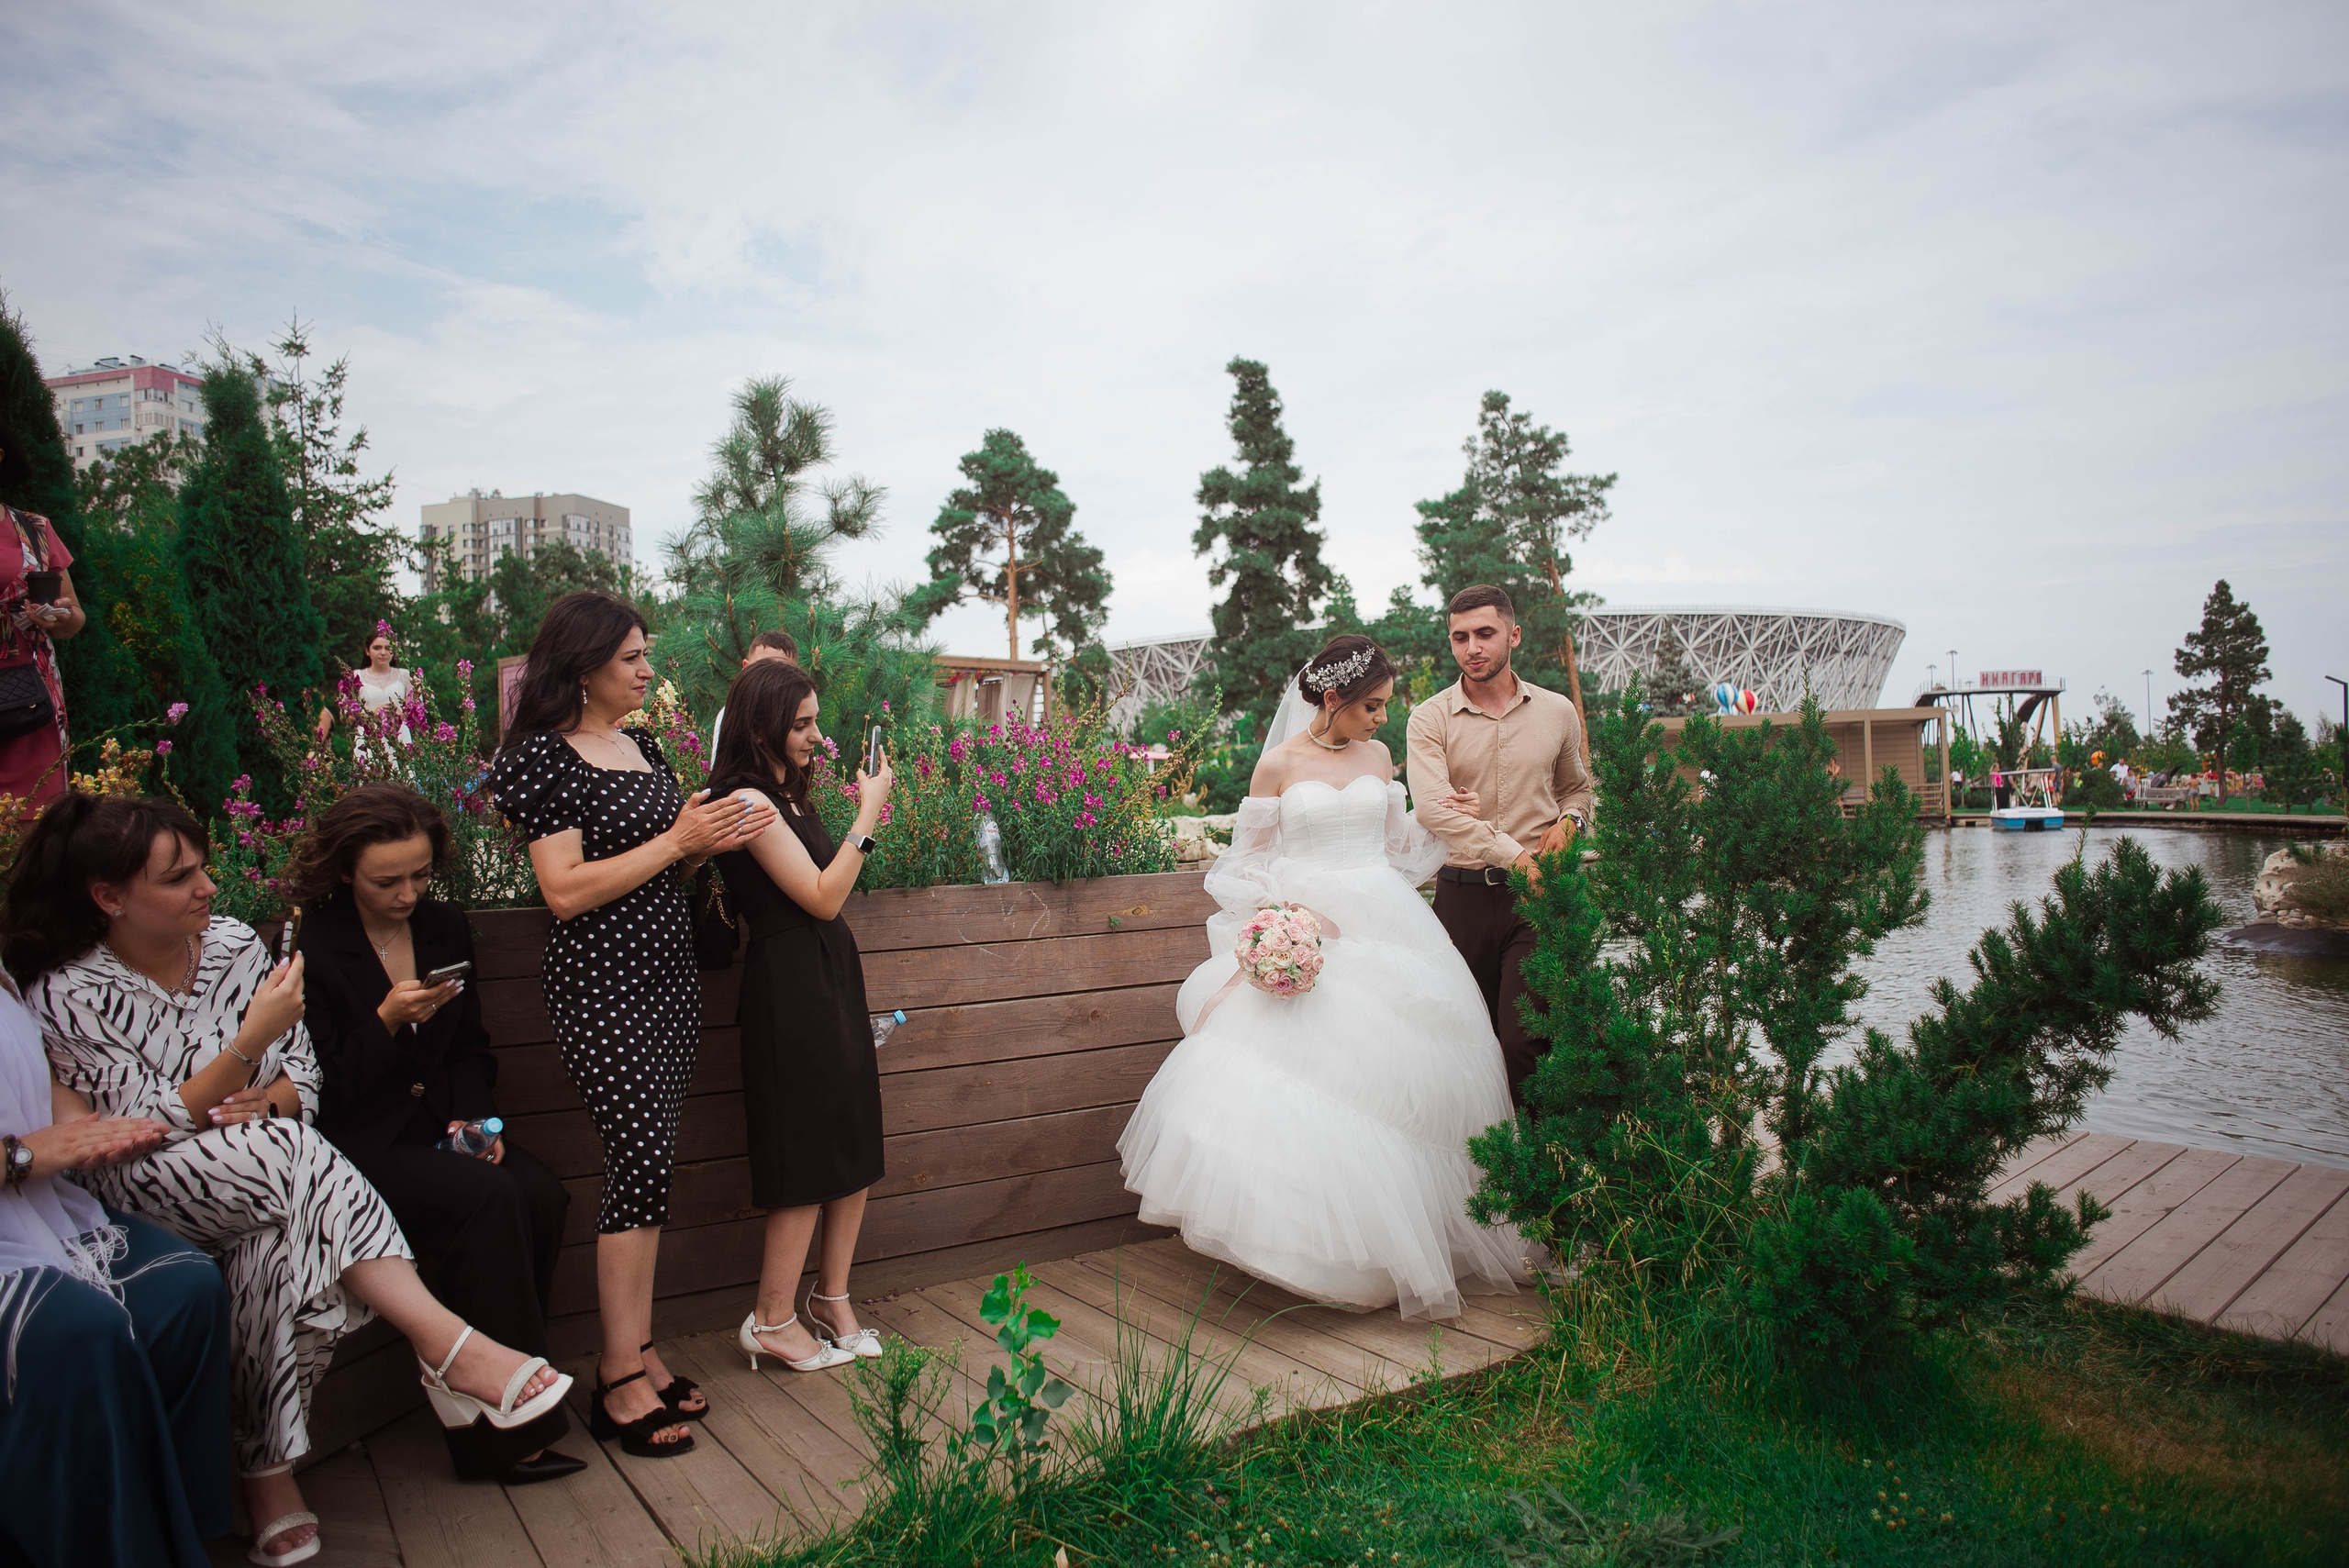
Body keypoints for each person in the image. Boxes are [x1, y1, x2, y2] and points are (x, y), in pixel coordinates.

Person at [6, 794, 573, 1566]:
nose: (208, 887)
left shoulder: (237, 943)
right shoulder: (68, 990)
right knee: (287, 1154)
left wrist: (266, 1092)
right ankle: (449, 1349)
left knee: (271, 1241)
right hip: (146, 1183)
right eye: (180, 878)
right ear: (110, 897)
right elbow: (135, 1131)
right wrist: (247, 1052)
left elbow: (303, 1079)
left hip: (268, 1169)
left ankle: (267, 1475)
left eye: (205, 867)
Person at [1119, 635, 1526, 1320]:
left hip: (1388, 922)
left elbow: (1400, 847)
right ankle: (1309, 1245)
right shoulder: (1276, 764)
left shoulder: (1379, 757)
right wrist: (1282, 910)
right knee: (1306, 1083)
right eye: (1371, 705)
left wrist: (1448, 812)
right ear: (1333, 697)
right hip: (1308, 927)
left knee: (1402, 1084)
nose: (1380, 719)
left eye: (1386, 707)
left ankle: (1410, 1242)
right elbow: (1238, 866)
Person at [486, 591, 773, 1459]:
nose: (649, 670)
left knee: (652, 1170)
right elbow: (564, 890)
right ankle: (615, 1373)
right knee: (636, 1161)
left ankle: (642, 1348)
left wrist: (722, 831)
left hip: (666, 978)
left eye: (646, 655)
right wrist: (678, 841)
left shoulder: (642, 746)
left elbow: (671, 852)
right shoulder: (540, 758)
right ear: (582, 669)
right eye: (633, 659)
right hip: (600, 986)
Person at [291, 784, 582, 1485]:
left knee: (539, 1193)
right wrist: (387, 1020)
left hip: (439, 1127)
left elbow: (468, 1047)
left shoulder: (445, 926)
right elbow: (319, 1085)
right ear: (344, 872)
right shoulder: (315, 944)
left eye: (420, 874)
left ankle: (496, 1380)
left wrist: (474, 1118)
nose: (407, 893)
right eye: (387, 880)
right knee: (487, 1199)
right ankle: (505, 1432)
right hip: (360, 1144)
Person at [0, 973, 233, 1568]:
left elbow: (36, 1075)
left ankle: (176, 1530)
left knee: (187, 1287)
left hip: (43, 1210)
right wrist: (27, 1154)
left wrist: (88, 1130)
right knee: (80, 1331)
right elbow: (31, 1146)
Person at [708, 658, 891, 1373]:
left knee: (852, 1139)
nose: (818, 735)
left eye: (816, 720)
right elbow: (821, 895)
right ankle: (771, 1316)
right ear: (762, 727)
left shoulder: (790, 796)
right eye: (803, 723)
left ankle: (832, 1298)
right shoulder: (747, 801)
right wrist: (870, 811)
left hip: (828, 975)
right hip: (789, 985)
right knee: (807, 1148)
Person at [1405, 585, 1598, 1103]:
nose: (1472, 647)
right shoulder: (1429, 719)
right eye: (1460, 637)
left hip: (1538, 898)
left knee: (1524, 1038)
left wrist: (1572, 822)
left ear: (1513, 634)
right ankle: (1486, 1168)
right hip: (1462, 895)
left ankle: (1537, 1169)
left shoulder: (1558, 712)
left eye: (1485, 634)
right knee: (1465, 1043)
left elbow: (1577, 788)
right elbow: (1431, 809)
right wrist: (1515, 855)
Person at [0, 416, 88, 816]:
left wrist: (57, 617)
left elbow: (75, 620)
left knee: (37, 821)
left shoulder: (35, 529)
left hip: (29, 698)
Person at [704, 628, 798, 761]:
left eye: (781, 670)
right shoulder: (731, 715)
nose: (769, 677)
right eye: (761, 667)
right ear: (745, 667)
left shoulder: (801, 717)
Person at [316, 629, 414, 749]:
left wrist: (400, 715)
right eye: (377, 648)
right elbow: (344, 715)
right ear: (367, 651)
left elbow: (416, 712)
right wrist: (372, 714)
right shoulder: (355, 676)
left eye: (388, 648)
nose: (383, 652)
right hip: (368, 741)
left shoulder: (405, 676)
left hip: (400, 739)